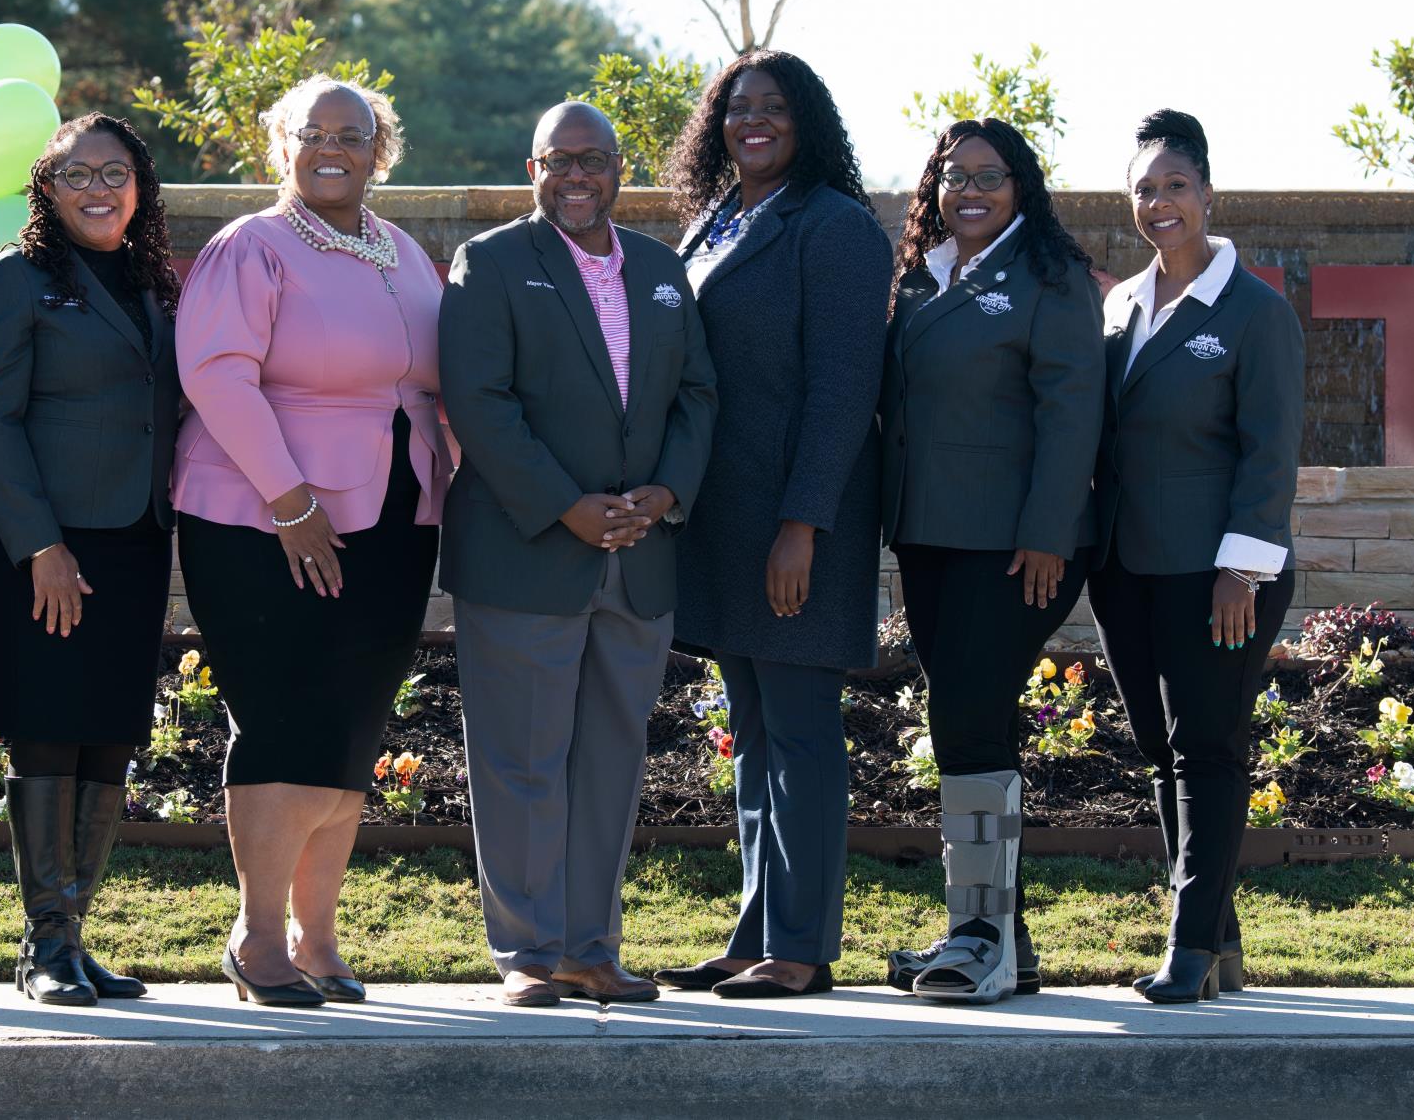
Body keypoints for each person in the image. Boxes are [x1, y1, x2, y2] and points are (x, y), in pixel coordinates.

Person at [173, 76, 448, 1008]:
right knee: (286, 718)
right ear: (280, 146)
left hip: (394, 519)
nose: (333, 147)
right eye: (312, 132)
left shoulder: (402, 251)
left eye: (353, 134)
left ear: (381, 150)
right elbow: (216, 374)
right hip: (264, 518)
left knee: (349, 725)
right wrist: (291, 502)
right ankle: (256, 940)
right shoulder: (250, 247)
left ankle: (317, 937)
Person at [440, 101, 717, 1009]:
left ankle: (592, 948)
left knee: (609, 761)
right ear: (533, 170)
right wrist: (568, 506)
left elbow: (699, 398)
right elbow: (479, 402)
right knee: (522, 760)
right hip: (529, 554)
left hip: (638, 560)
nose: (575, 175)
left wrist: (666, 495)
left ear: (619, 168)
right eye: (557, 160)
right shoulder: (491, 263)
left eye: (592, 159)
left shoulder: (665, 269)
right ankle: (527, 950)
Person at [652, 51, 888, 1000]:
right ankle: (756, 927)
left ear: (808, 120)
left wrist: (803, 524)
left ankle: (801, 945)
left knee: (798, 733)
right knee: (751, 734)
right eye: (736, 108)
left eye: (773, 108)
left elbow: (843, 390)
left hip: (796, 521)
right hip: (724, 517)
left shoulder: (834, 227)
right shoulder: (718, 220)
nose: (753, 122)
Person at [878, 118, 1104, 1004]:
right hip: (930, 536)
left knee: (967, 722)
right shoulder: (922, 278)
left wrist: (1048, 528)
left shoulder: (1051, 278)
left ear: (1022, 187)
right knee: (969, 723)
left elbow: (1072, 410)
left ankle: (977, 933)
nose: (969, 190)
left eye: (989, 175)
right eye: (952, 174)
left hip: (1019, 546)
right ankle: (1005, 936)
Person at [0, 113, 182, 1006]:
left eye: (116, 172)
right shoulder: (17, 281)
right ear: (46, 189)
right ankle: (42, 945)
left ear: (141, 184)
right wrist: (38, 546)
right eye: (77, 173)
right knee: (49, 727)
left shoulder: (152, 281)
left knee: (110, 734)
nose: (99, 188)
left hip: (134, 537)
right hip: (44, 542)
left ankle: (76, 938)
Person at [1092, 109, 1303, 1003]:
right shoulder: (1121, 304)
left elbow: (1270, 451)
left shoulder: (1256, 312)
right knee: (1160, 750)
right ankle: (1218, 940)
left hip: (1218, 574)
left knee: (1206, 750)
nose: (1159, 202)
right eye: (1144, 189)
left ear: (1209, 193)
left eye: (1176, 185)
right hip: (1125, 569)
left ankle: (1187, 947)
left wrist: (1242, 571)